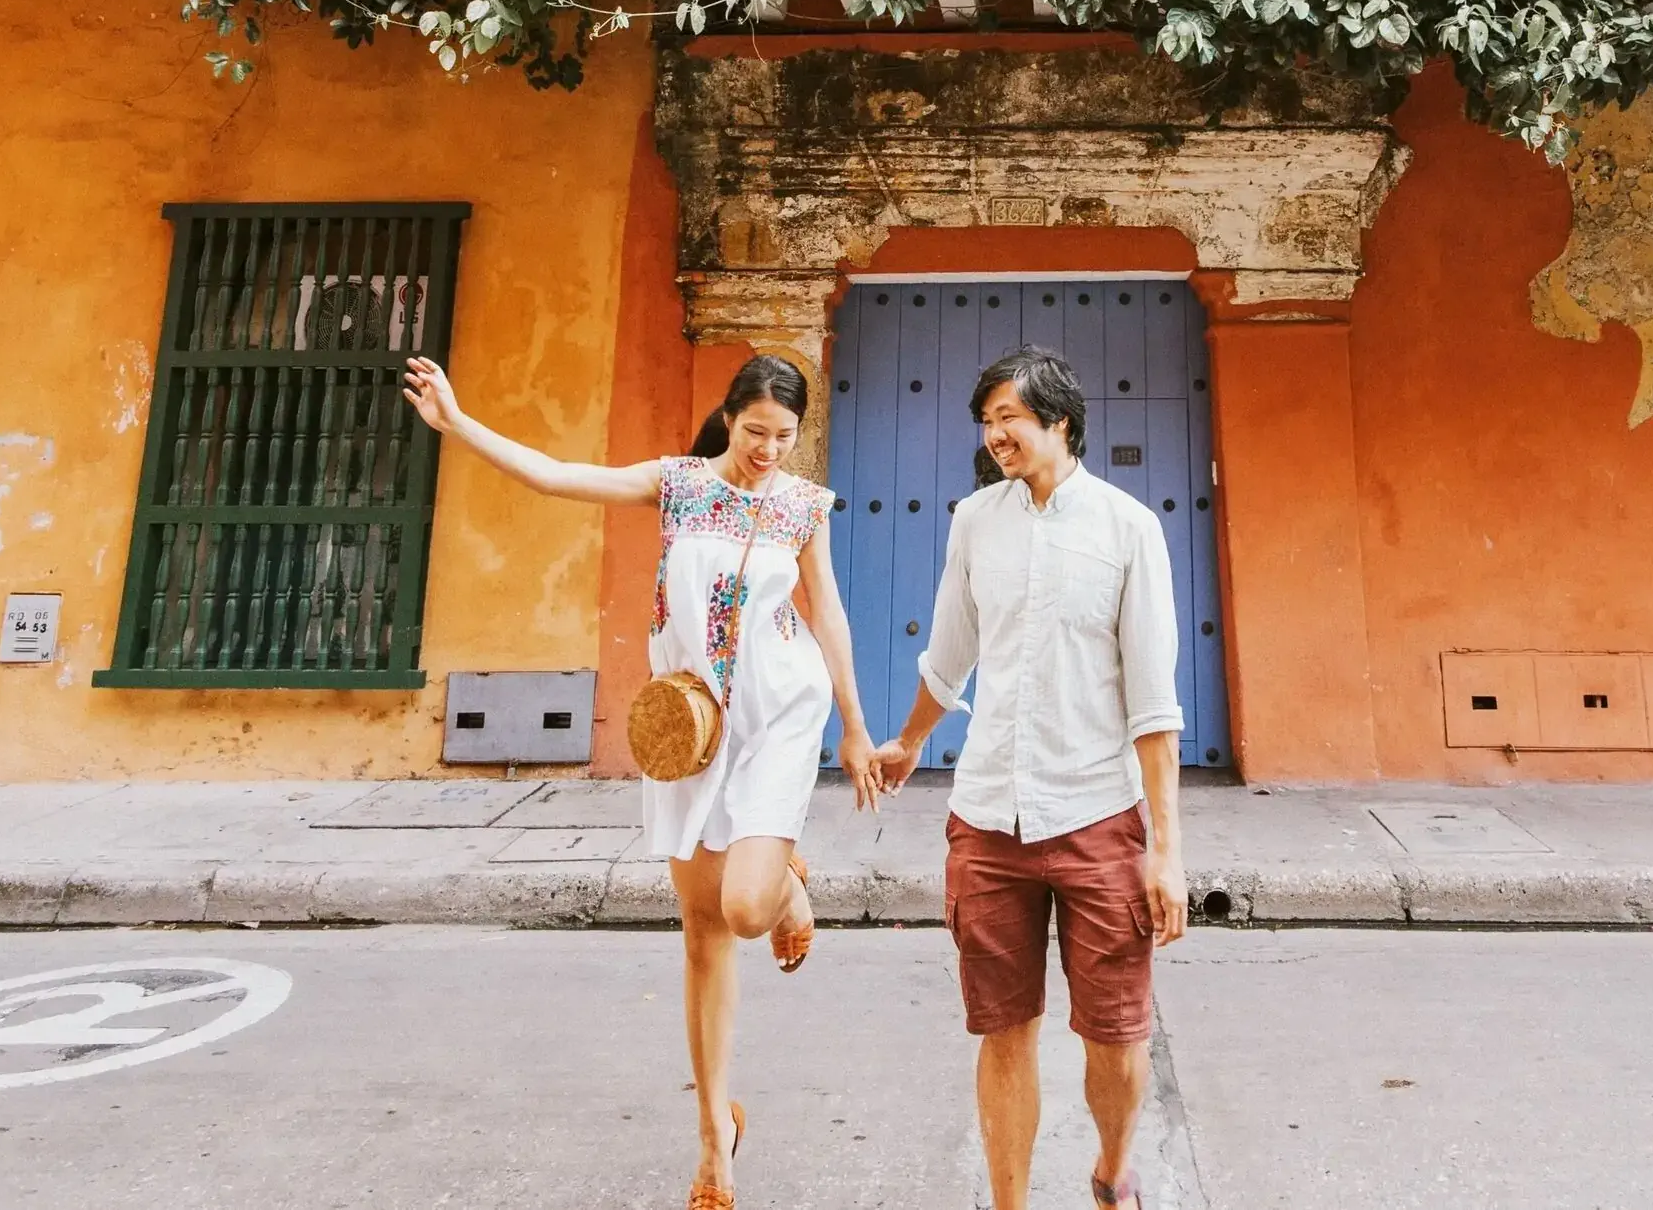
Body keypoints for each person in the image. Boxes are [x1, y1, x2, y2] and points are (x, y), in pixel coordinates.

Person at [404, 352, 884, 1210]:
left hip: (778, 715)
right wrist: (458, 421)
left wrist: (854, 726)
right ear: (728, 416)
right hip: (688, 728)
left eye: (785, 436)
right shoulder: (678, 484)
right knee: (703, 931)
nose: (769, 450)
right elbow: (556, 476)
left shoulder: (804, 507)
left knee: (743, 910)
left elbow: (830, 613)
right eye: (754, 432)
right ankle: (714, 1139)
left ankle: (783, 891)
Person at [874, 345, 1188, 1210]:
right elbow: (949, 656)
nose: (994, 433)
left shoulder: (1129, 529)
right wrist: (907, 741)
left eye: (1009, 416)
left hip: (1096, 812)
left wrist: (1167, 853)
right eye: (987, 420)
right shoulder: (975, 519)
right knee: (1003, 1028)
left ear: (1060, 421)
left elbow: (1154, 703)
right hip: (988, 818)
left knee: (1116, 1035)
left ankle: (1113, 1162)